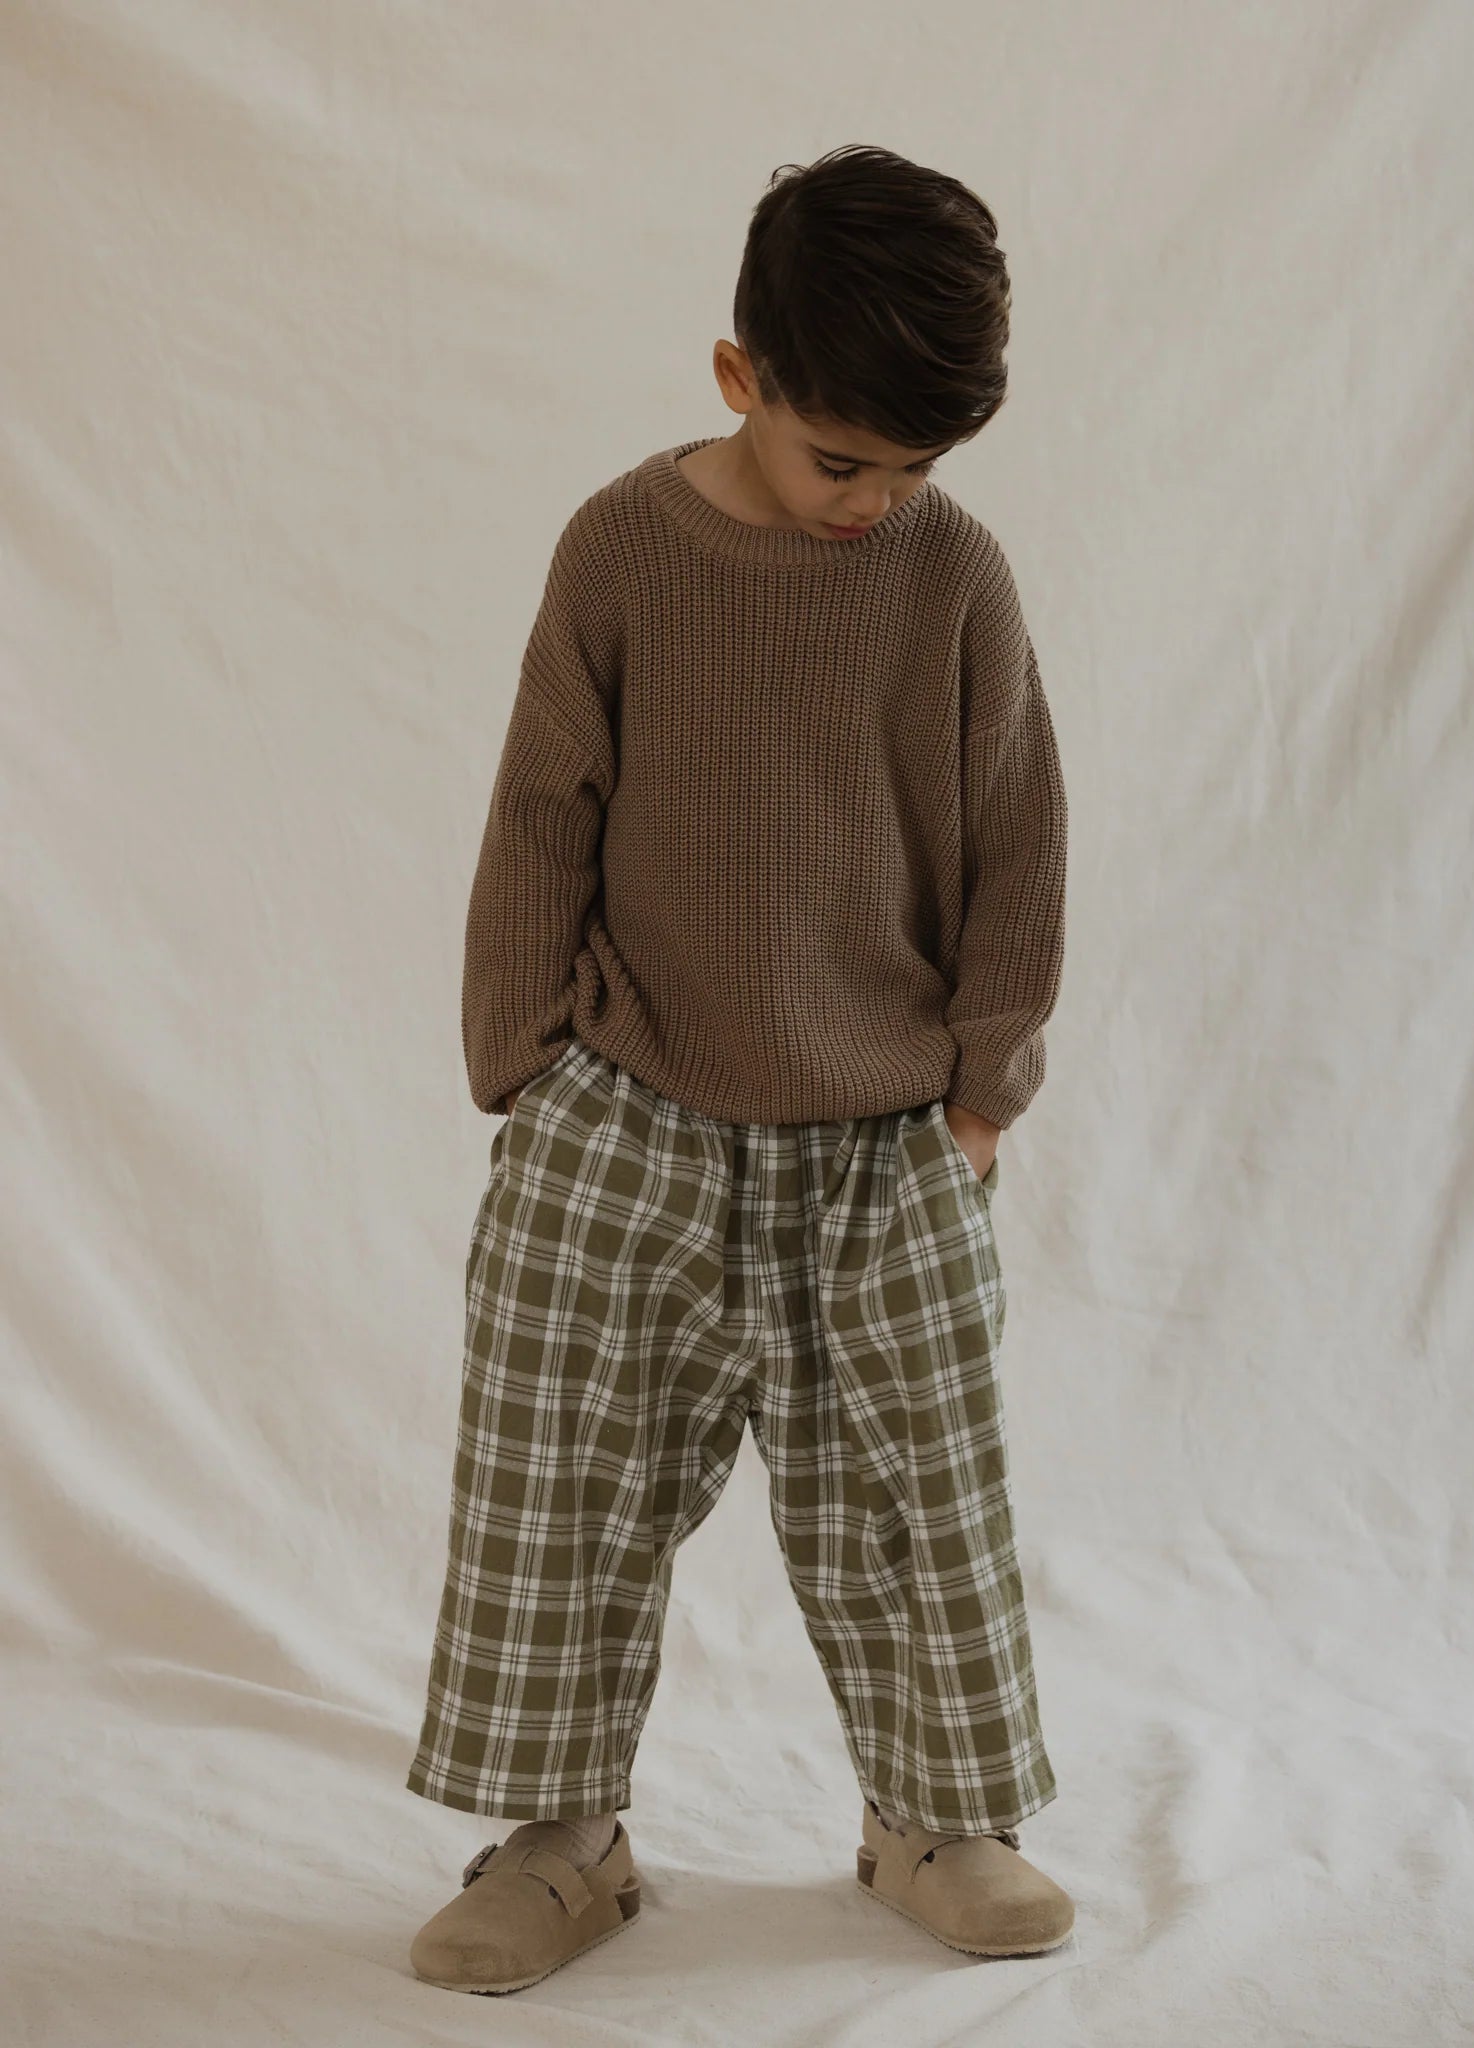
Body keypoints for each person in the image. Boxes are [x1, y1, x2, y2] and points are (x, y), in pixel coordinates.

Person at [404, 142, 1073, 1995]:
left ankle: (935, 1816)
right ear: (738, 379)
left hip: (882, 1122)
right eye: (838, 457)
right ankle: (560, 1834)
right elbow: (546, 805)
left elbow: (1019, 830)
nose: (876, 500)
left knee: (923, 1476)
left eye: (917, 469)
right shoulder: (622, 549)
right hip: (634, 1093)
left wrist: (984, 1087)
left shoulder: (954, 577)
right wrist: (520, 1064)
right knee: (559, 1456)